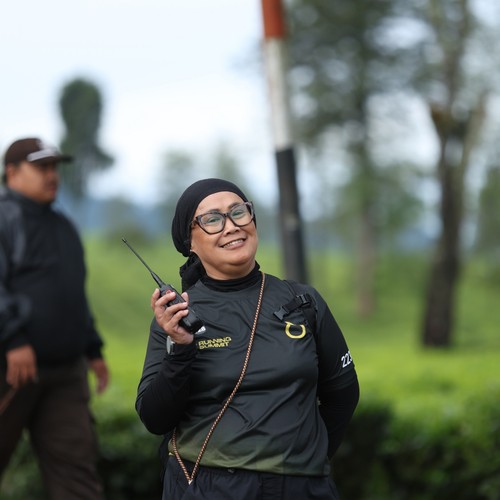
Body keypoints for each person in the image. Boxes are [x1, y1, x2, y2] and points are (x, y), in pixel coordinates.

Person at [136, 178, 360, 500]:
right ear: (190, 242)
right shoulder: (177, 316)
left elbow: (343, 394)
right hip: (209, 489)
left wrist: (309, 460)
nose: (231, 226)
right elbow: (155, 418)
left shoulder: (302, 302)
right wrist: (180, 348)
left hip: (303, 487)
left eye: (238, 212)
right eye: (212, 219)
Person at [0, 137, 109, 499]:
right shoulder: (4, 217)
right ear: (12, 172)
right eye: (41, 167)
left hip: (65, 372)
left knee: (76, 473)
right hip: (11, 368)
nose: (52, 175)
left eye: (54, 167)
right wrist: (13, 339)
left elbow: (73, 293)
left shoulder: (63, 224)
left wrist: (93, 349)